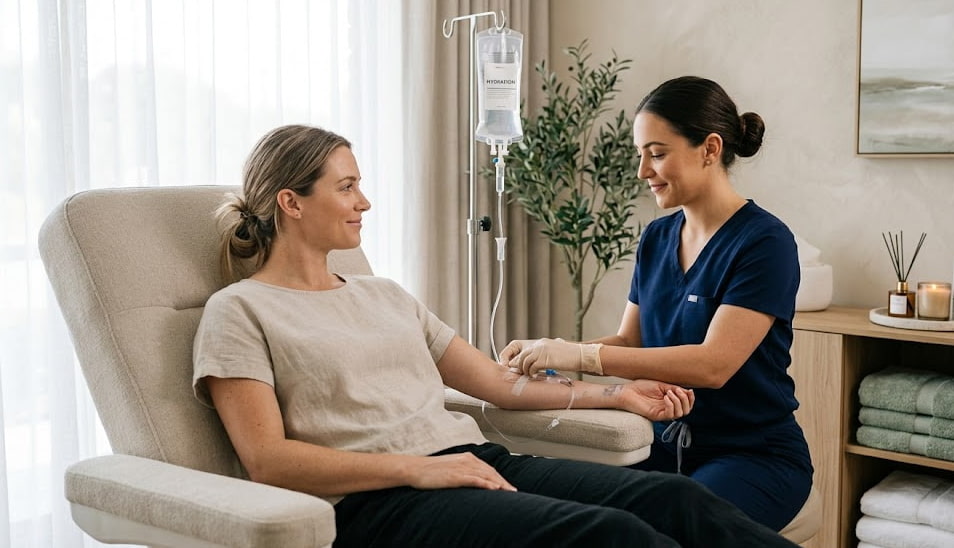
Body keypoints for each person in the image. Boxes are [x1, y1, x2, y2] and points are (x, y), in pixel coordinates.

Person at [192, 124, 800, 547]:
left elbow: (499, 386)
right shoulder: (239, 311)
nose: (365, 201)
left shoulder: (383, 295)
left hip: (473, 463)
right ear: (290, 203)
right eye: (346, 187)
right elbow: (266, 461)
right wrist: (417, 469)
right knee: (615, 538)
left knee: (678, 503)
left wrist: (617, 394)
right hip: (377, 504)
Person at [500, 76, 813, 532]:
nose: (643, 171)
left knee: (667, 527)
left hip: (753, 455)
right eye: (640, 154)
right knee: (563, 517)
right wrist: (551, 354)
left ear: (709, 148)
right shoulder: (657, 236)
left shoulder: (764, 242)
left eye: (658, 153)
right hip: (663, 444)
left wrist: (580, 355)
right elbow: (631, 340)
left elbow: (714, 365)